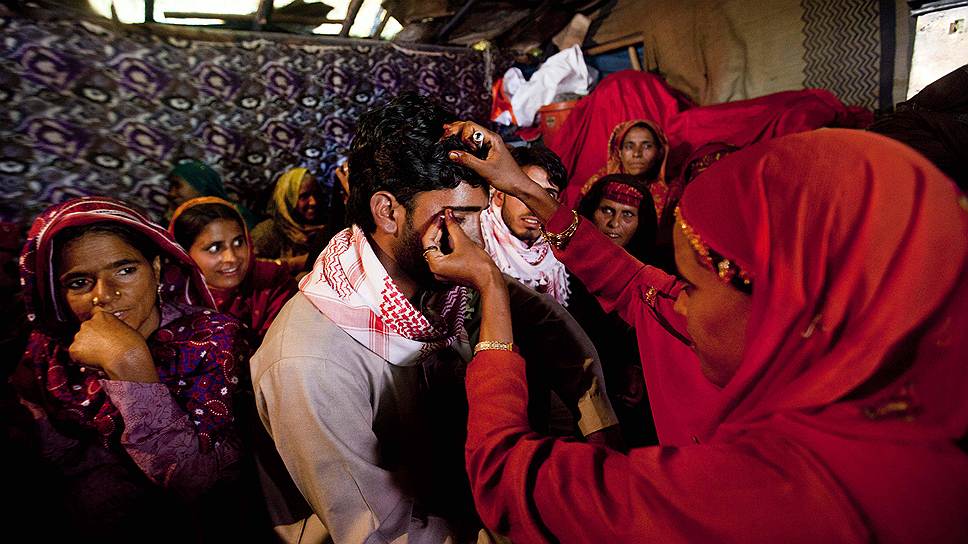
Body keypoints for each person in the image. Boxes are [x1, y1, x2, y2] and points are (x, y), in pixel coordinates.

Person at [443, 123, 968, 542]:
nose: (679, 301)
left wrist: (491, 292)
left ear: (778, 308)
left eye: (691, 285)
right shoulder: (901, 406)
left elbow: (507, 478)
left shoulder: (765, 498)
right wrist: (518, 184)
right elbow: (630, 280)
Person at [249, 93, 618, 543]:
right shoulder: (311, 363)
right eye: (459, 218)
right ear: (388, 211)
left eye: (480, 217)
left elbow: (553, 329)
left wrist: (600, 432)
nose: (475, 241)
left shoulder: (444, 282)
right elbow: (382, 532)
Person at [9, 197, 252, 540]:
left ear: (154, 269)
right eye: (79, 282)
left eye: (125, 270)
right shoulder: (48, 354)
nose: (105, 295)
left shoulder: (211, 341)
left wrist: (132, 367)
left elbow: (205, 487)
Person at [572, 173, 664, 446]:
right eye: (607, 211)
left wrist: (637, 367)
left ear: (641, 223)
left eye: (627, 215)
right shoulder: (564, 262)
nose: (614, 224)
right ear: (591, 211)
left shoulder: (652, 271)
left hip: (628, 392)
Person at [169, 197, 297, 345]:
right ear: (183, 254)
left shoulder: (272, 282)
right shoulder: (170, 302)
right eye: (214, 248)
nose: (232, 258)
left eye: (238, 242)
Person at [480, 145, 571, 306]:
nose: (535, 206)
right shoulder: (477, 245)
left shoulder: (563, 253)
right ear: (500, 195)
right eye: (525, 193)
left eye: (548, 195)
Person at [580, 119, 682, 221]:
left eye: (646, 146)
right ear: (619, 152)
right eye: (629, 147)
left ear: (660, 152)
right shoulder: (599, 185)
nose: (637, 153)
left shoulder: (671, 192)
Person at [251, 167, 326, 273]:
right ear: (288, 199)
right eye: (304, 196)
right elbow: (249, 268)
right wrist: (295, 264)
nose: (313, 202)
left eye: (316, 194)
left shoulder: (326, 227)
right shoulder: (269, 230)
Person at [167, 159, 257, 227]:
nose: (171, 194)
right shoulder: (177, 217)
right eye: (170, 187)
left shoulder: (234, 215)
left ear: (200, 185)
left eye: (177, 186)